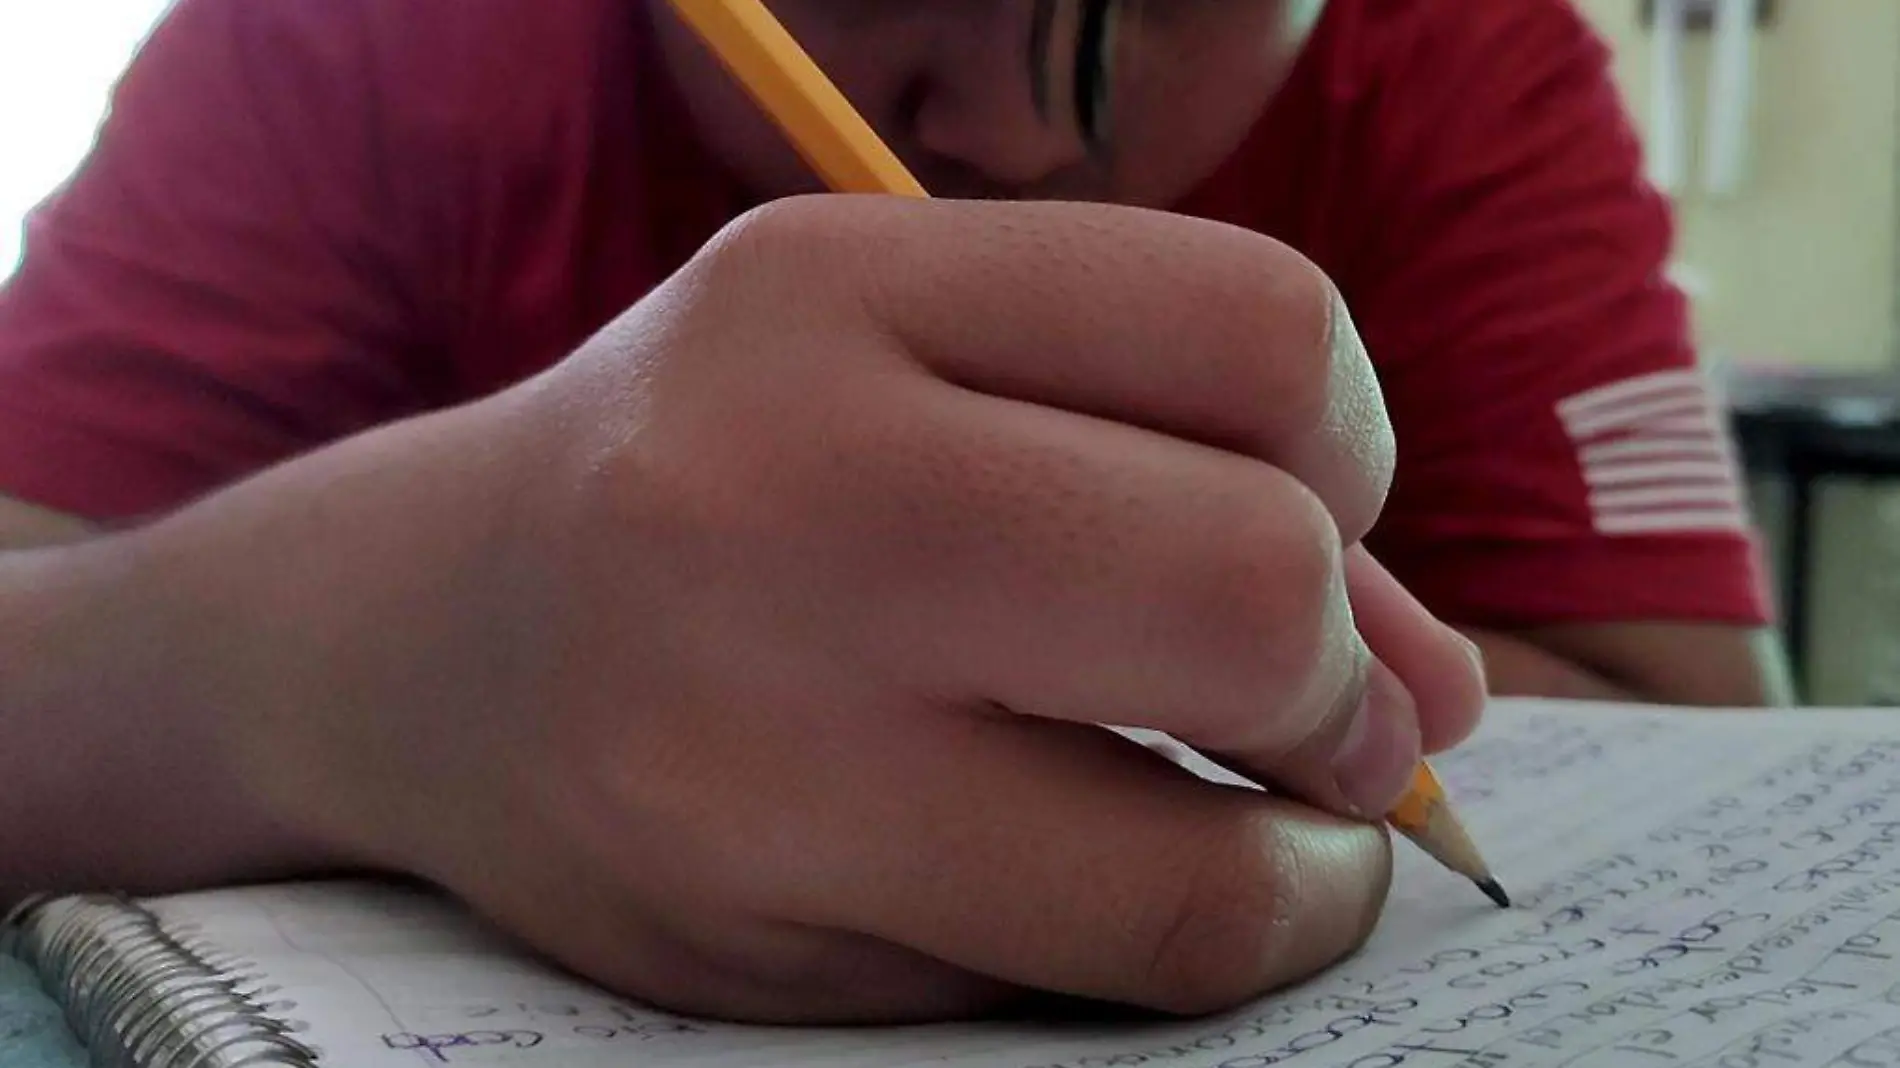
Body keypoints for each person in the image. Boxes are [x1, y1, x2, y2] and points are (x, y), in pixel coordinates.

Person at [0, 0, 1786, 1025]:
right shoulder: (357, 37)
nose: (1005, 126)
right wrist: (381, 642)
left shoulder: (1466, 55)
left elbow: (1709, 741)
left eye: (1129, 9)